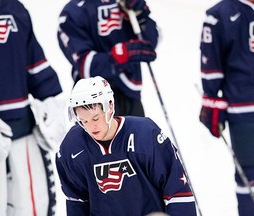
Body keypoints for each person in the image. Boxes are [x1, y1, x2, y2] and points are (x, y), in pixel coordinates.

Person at [0, 0, 71, 215]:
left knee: (32, 205)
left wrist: (49, 99)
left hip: (24, 127)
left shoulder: (15, 8)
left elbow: (33, 60)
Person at [55, 76, 197, 216]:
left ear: (110, 106)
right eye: (83, 121)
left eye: (95, 118)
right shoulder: (72, 148)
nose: (91, 126)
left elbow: (177, 190)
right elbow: (77, 201)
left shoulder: (145, 135)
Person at [199, 0, 254, 215]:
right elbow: (210, 61)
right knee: (248, 175)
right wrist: (211, 98)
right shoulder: (219, 15)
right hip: (243, 111)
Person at [57, 0, 159, 117]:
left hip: (130, 94)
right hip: (92, 98)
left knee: (137, 134)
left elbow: (149, 46)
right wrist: (121, 56)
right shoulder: (73, 12)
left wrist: (142, 15)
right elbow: (85, 65)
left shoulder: (124, 2)